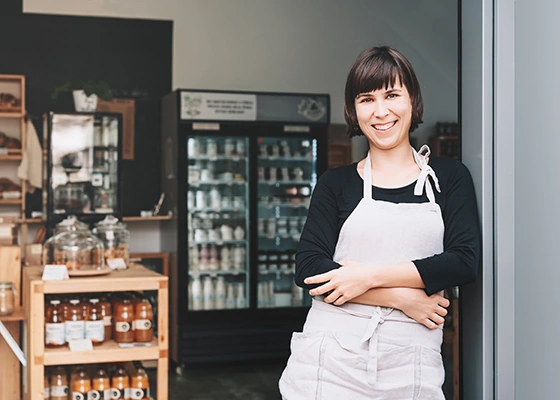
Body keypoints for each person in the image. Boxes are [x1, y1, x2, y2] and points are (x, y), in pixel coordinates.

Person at [278, 46, 481, 399]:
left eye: (391, 94)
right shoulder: (335, 183)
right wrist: (402, 298)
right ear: (354, 112)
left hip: (410, 362)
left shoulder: (448, 178)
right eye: (366, 99)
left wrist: (366, 276)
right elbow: (309, 268)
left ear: (413, 100)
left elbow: (463, 261)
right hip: (328, 362)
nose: (381, 111)